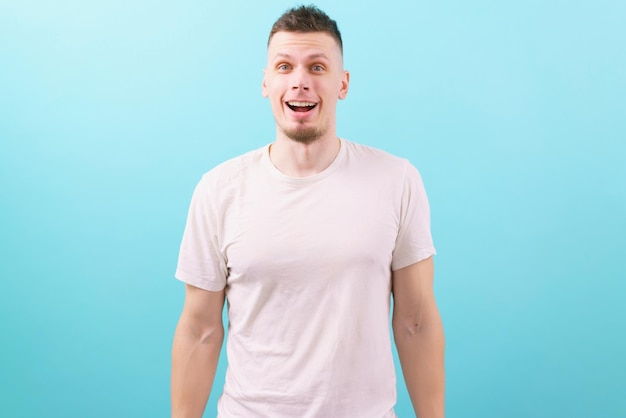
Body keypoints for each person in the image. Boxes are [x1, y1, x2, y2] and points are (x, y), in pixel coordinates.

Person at [171, 5, 445, 418]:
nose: (300, 82)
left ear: (343, 84)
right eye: (284, 66)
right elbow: (200, 330)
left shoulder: (396, 181)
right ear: (266, 82)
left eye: (317, 67)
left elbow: (416, 323)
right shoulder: (219, 190)